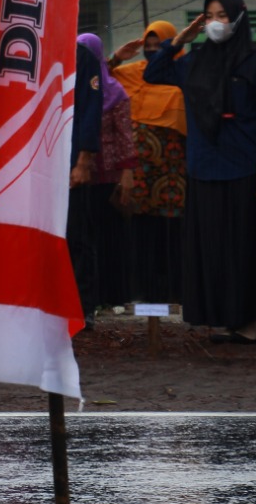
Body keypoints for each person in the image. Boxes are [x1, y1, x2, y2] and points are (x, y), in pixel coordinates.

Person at [145, 0, 256, 343]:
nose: (215, 22)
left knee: (241, 246)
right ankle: (216, 318)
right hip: (203, 166)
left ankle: (245, 324)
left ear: (240, 18)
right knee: (210, 246)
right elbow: (155, 73)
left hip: (244, 166)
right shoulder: (194, 61)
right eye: (209, 16)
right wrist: (179, 41)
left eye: (223, 15)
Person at [108, 21, 188, 303]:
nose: (152, 51)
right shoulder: (130, 73)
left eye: (159, 45)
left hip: (173, 169)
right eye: (149, 46)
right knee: (139, 229)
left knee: (172, 231)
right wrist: (117, 57)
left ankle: (176, 293)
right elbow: (98, 80)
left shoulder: (182, 71)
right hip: (137, 170)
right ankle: (142, 294)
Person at [78, 33, 138, 309]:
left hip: (110, 173)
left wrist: (127, 172)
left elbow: (126, 135)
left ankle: (113, 296)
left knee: (109, 237)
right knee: (85, 237)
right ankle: (91, 298)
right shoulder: (74, 89)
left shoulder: (115, 92)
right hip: (81, 173)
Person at [67, 40, 105, 328]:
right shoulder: (32, 50)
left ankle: (82, 309)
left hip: (70, 163)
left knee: (78, 237)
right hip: (37, 165)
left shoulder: (82, 57)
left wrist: (83, 161)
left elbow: (91, 112)